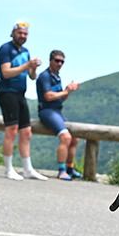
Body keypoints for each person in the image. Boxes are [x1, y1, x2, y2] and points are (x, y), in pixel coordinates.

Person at [0, 21, 47, 181]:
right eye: (20, 33)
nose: (22, 36)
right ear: (13, 33)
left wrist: (33, 68)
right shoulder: (5, 49)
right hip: (7, 92)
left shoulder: (25, 51)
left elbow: (32, 77)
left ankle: (27, 169)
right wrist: (26, 65)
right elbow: (6, 73)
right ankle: (8, 168)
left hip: (20, 93)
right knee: (11, 130)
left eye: (25, 34)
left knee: (26, 132)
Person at [36, 50, 81, 180]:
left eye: (62, 61)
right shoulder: (45, 76)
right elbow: (48, 96)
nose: (59, 63)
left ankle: (69, 168)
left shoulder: (57, 77)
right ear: (50, 60)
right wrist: (66, 90)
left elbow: (59, 98)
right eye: (57, 60)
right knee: (66, 137)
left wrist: (68, 91)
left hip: (57, 111)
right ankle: (61, 171)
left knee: (75, 138)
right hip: (47, 111)